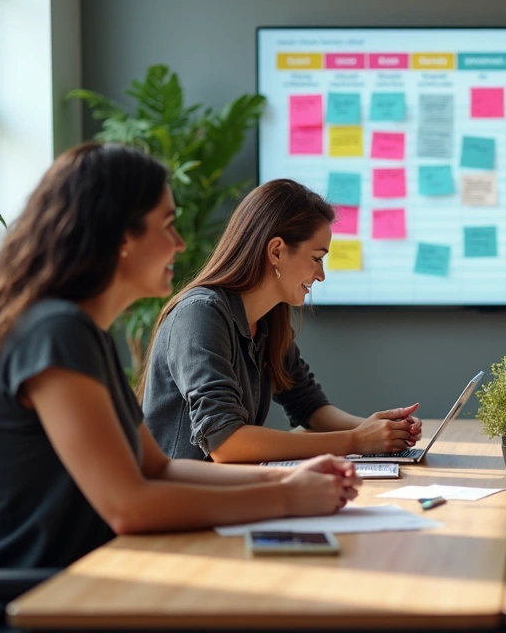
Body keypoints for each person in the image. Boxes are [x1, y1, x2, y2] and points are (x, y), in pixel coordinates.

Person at [0, 144, 360, 633]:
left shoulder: (78, 331)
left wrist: (288, 480)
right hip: (22, 609)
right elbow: (127, 506)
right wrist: (287, 499)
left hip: (70, 587)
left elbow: (158, 467)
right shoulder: (54, 333)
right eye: (167, 225)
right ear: (122, 235)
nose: (181, 245)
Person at [140, 179, 421, 463]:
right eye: (316, 258)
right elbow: (224, 442)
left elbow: (309, 407)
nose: (321, 275)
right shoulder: (199, 314)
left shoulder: (269, 321)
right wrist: (355, 440)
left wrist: (377, 430)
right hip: (183, 501)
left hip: (228, 490)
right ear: (276, 251)